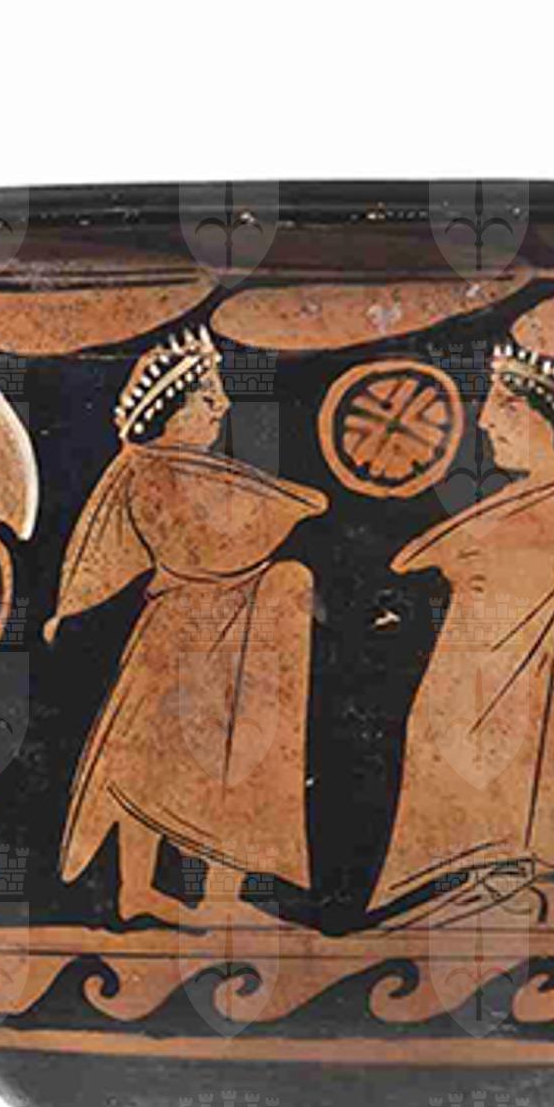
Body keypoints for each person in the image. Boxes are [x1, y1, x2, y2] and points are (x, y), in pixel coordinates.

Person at [371, 340, 554, 927]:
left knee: (464, 726)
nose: (485, 421)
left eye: (505, 406)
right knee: (442, 726)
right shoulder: (524, 503)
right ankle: (475, 880)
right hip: (493, 692)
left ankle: (527, 878)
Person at [45, 327, 327, 926]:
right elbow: (207, 550)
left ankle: (218, 894)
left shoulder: (193, 471)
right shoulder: (154, 474)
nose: (221, 406)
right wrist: (287, 520)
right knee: (149, 766)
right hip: (182, 635)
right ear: (170, 409)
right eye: (208, 396)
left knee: (220, 762)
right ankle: (138, 890)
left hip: (227, 632)